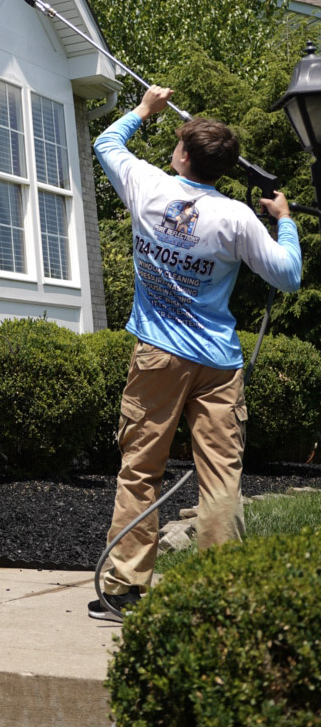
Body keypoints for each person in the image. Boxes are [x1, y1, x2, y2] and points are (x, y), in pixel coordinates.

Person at [90, 85, 301, 620]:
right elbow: (289, 275)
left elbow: (106, 143)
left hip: (157, 359)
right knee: (221, 479)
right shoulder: (237, 218)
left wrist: (145, 109)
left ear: (184, 155)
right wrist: (284, 219)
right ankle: (220, 598)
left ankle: (123, 589)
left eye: (179, 143)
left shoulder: (147, 186)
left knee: (140, 471)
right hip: (219, 366)